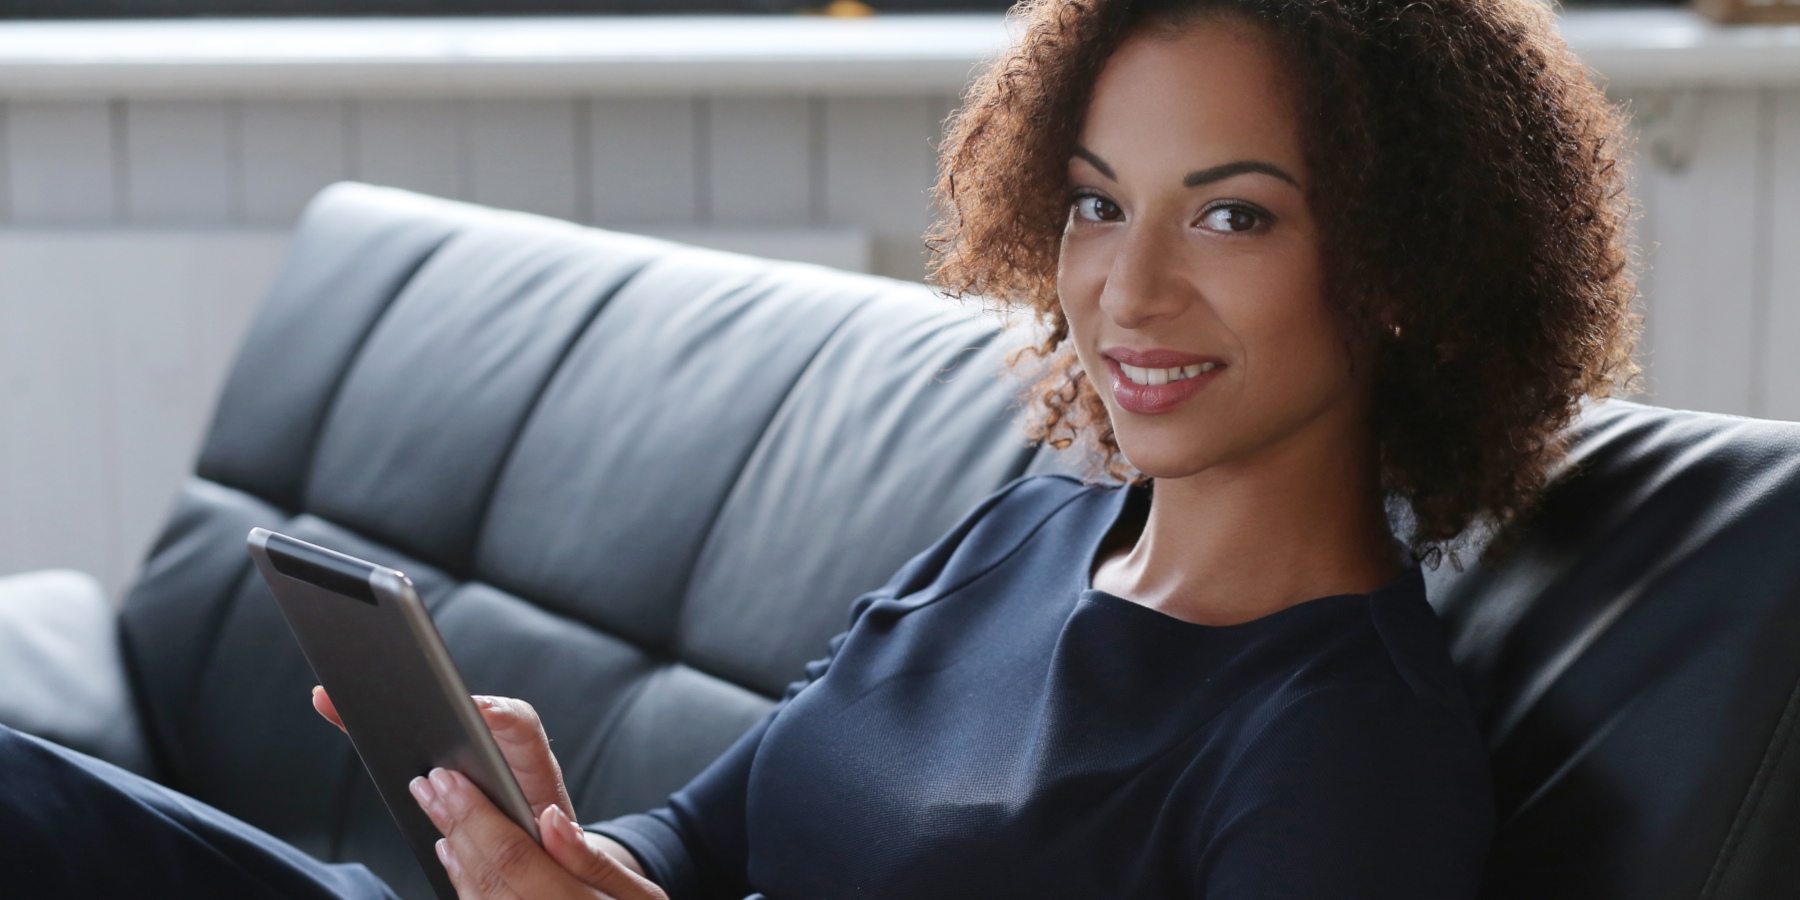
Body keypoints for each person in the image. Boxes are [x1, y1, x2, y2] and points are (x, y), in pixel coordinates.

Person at [1, 0, 1637, 896]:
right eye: (1094, 201)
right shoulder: (1021, 539)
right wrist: (565, 854)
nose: (1127, 289)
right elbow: (707, 841)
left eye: (1232, 213)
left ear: (1412, 264)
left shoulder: (1347, 755)